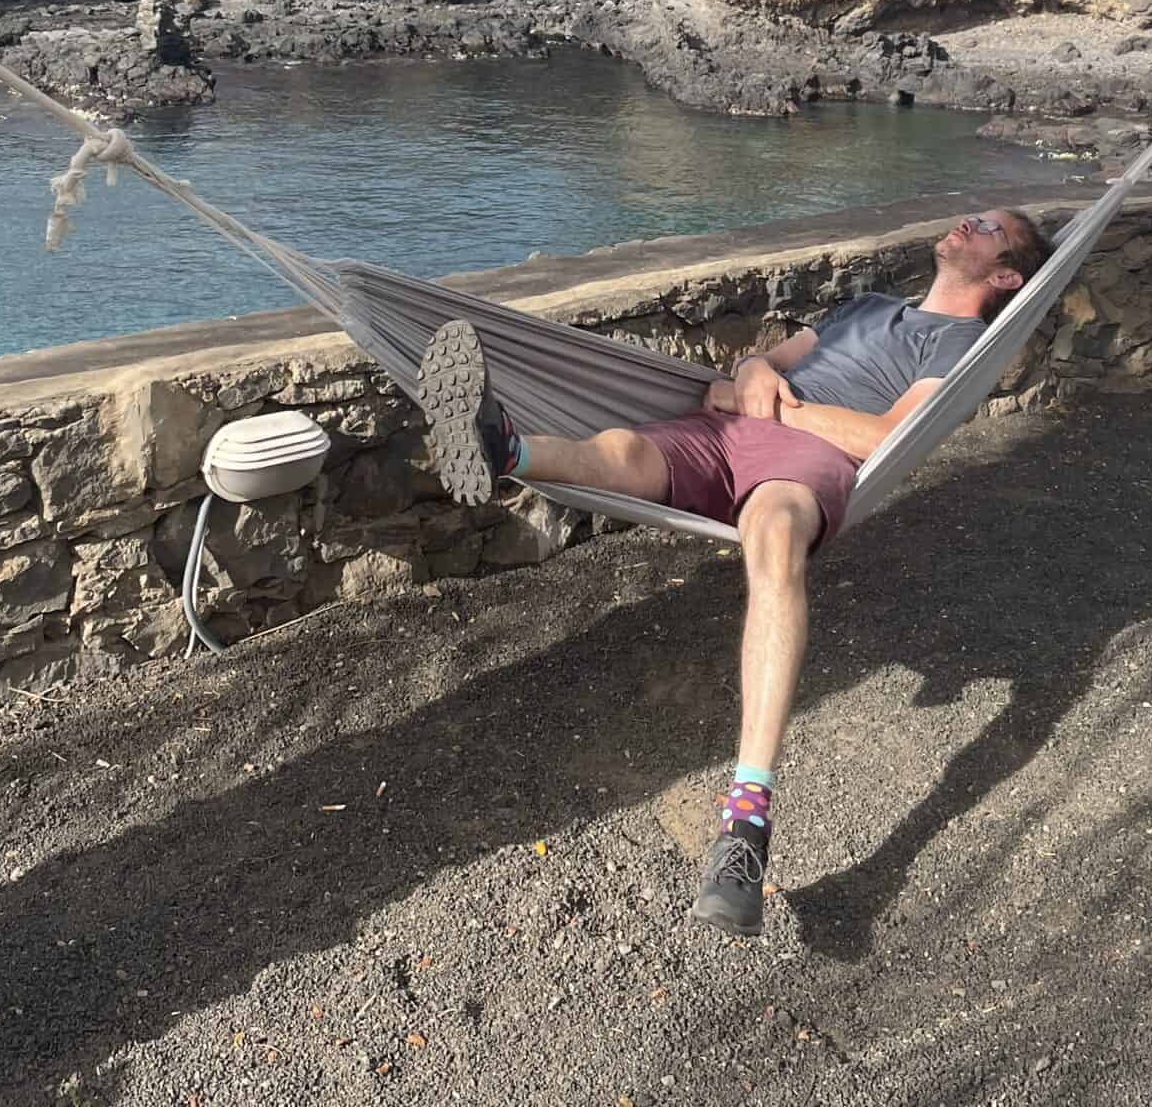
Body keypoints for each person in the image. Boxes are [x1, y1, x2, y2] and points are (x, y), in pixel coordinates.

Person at [413, 206, 1050, 938]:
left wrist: (779, 410)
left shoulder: (962, 340)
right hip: (720, 430)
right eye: (975, 216)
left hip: (806, 458)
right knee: (619, 453)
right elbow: (762, 362)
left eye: (992, 229)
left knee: (776, 538)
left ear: (1005, 276)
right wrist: (751, 373)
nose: (968, 223)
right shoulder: (868, 305)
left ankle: (745, 824)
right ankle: (503, 451)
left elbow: (880, 436)